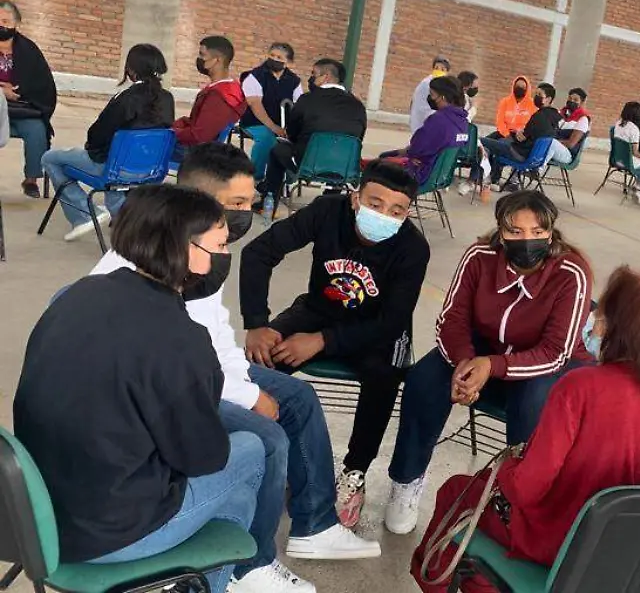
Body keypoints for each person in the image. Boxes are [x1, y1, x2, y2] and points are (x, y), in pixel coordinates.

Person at [91, 145, 379, 592]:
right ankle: (250, 565)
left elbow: (217, 336)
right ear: (196, 202)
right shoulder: (143, 268)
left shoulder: (200, 250)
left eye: (250, 201)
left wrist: (250, 386)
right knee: (266, 439)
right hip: (164, 391)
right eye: (237, 204)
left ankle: (315, 525)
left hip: (196, 373)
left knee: (296, 397)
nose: (247, 214)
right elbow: (182, 369)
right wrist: (248, 398)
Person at [15, 185, 260, 593]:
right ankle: (226, 577)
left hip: (33, 508)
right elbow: (203, 457)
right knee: (251, 449)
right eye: (220, 245)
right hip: (105, 533)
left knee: (237, 501)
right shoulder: (180, 339)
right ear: (184, 249)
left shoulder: (77, 294)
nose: (225, 256)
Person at [409, 267, 640, 592]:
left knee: (456, 492)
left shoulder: (579, 386)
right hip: (600, 544)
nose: (593, 320)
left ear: (616, 329)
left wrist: (507, 466)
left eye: (601, 313)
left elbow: (526, 489)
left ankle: (436, 582)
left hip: (550, 536)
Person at [386, 190, 593, 536]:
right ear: (500, 231)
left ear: (550, 233)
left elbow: (555, 351)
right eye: (515, 231)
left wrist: (491, 367)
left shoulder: (571, 271)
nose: (527, 240)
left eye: (537, 231)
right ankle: (406, 480)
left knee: (533, 400)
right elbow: (452, 320)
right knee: (424, 379)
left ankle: (516, 497)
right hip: (484, 348)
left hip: (547, 365)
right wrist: (465, 365)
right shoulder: (480, 257)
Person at [240, 161, 431, 529]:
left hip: (378, 328)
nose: (384, 215)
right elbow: (258, 252)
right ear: (355, 199)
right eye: (375, 204)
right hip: (319, 310)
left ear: (407, 214)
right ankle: (260, 455)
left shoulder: (413, 248)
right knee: (260, 361)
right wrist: (256, 323)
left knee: (384, 375)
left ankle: (355, 472)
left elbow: (391, 322)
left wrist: (322, 341)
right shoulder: (327, 211)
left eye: (397, 211)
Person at [42, 43, 174, 241]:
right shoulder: (168, 99)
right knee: (116, 166)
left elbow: (98, 133)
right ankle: (126, 221)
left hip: (114, 169)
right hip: (151, 170)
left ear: (131, 69)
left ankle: (84, 214)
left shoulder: (126, 98)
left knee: (50, 158)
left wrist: (90, 148)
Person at [258, 58, 367, 205]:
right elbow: (359, 137)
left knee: (278, 150)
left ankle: (269, 201)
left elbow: (292, 133)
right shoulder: (358, 105)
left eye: (314, 74)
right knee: (338, 151)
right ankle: (329, 201)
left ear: (326, 77)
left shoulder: (307, 99)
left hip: (308, 164)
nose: (311, 78)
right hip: (345, 167)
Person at [0, 0, 57, 197]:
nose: (1, 25)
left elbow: (43, 83)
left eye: (5, 21)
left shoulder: (28, 49)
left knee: (37, 130)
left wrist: (19, 90)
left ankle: (31, 179)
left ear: (16, 23)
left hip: (20, 107)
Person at [379, 75, 469, 185]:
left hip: (421, 172)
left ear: (443, 97)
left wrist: (411, 155)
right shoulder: (463, 122)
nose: (430, 98)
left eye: (432, 94)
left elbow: (417, 146)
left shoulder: (438, 119)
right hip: (441, 175)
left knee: (379, 162)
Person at [240, 42, 304, 180]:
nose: (274, 59)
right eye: (272, 55)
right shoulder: (255, 76)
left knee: (300, 139)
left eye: (279, 58)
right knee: (266, 138)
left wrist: (290, 129)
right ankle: (255, 177)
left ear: (288, 62)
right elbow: (255, 104)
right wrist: (274, 127)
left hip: (283, 124)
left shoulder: (294, 81)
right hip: (255, 122)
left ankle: (287, 178)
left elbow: (298, 106)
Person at [483, 82, 561, 189]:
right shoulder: (555, 116)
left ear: (548, 99)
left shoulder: (539, 116)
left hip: (521, 153)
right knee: (498, 139)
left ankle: (488, 178)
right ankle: (494, 179)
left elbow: (521, 138)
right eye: (536, 94)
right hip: (535, 157)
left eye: (539, 95)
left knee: (483, 141)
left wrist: (517, 133)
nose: (536, 97)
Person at [174, 36, 246, 149]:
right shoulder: (229, 87)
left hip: (195, 151)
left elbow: (199, 136)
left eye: (202, 55)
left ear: (217, 60)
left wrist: (171, 132)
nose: (199, 59)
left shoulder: (219, 96)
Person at [546, 87, 590, 165]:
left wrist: (550, 141)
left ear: (581, 103)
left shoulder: (583, 119)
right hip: (553, 146)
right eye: (570, 98)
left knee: (550, 143)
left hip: (568, 154)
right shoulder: (560, 113)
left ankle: (538, 168)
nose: (571, 101)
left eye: (575, 100)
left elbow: (571, 144)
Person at [409, 56, 451, 134]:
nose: (439, 71)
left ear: (447, 72)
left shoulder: (442, 83)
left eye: (442, 69)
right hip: (423, 117)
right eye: (436, 68)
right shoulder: (427, 83)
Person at [490, 75, 535, 139]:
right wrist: (507, 135)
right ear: (513, 86)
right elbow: (500, 122)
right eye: (517, 86)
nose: (520, 88)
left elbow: (533, 124)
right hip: (504, 133)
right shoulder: (505, 101)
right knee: (482, 141)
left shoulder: (532, 104)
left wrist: (522, 134)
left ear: (527, 89)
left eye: (523, 87)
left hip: (521, 136)